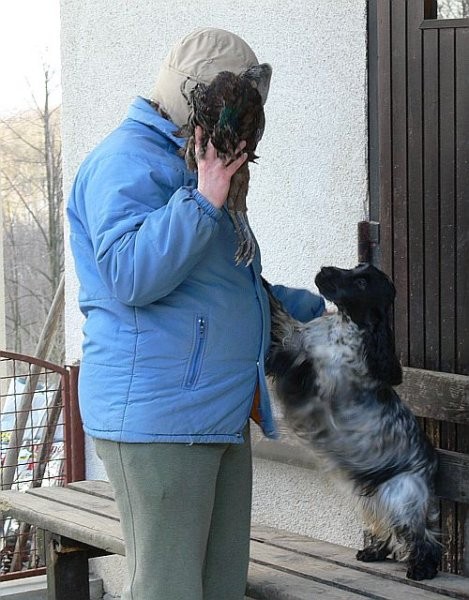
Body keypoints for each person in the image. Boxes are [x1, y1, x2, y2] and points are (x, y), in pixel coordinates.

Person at [67, 27, 325, 600]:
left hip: (216, 412)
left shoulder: (197, 156)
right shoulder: (125, 161)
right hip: (159, 416)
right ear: (199, 97)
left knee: (219, 588)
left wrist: (315, 310)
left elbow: (220, 285)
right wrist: (204, 197)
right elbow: (130, 274)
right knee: (170, 590)